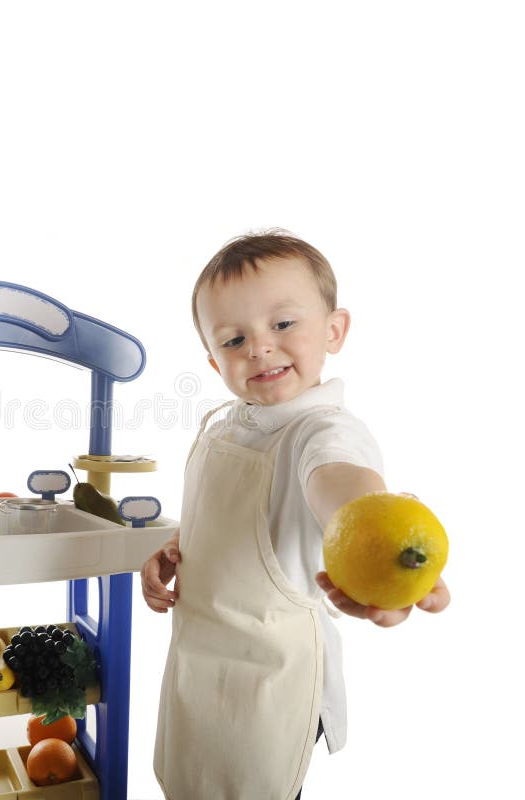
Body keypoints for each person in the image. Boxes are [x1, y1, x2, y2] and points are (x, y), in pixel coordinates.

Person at [141, 231, 450, 800]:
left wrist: (379, 550)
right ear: (214, 361)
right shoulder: (229, 424)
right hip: (198, 671)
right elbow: (237, 519)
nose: (259, 347)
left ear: (334, 330)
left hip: (268, 687)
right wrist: (178, 548)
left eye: (283, 325)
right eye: (235, 338)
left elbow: (341, 488)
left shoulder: (322, 432)